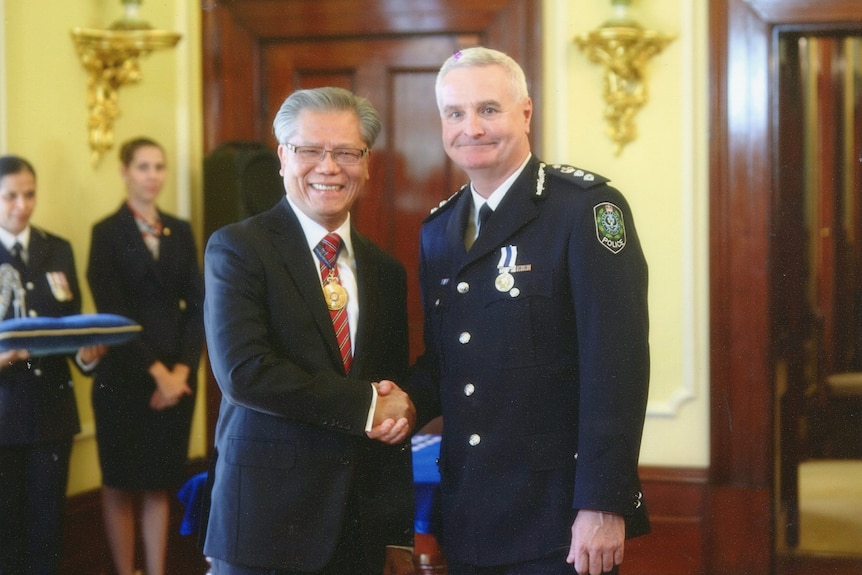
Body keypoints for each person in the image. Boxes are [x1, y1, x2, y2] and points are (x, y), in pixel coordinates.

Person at [406, 47, 651, 575]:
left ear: (525, 113)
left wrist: (603, 503)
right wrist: (399, 403)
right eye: (455, 113)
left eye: (488, 109)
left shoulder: (583, 209)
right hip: (470, 514)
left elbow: (618, 367)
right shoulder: (439, 232)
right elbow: (448, 362)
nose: (471, 127)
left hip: (557, 520)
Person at [202, 86, 416, 575]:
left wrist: (397, 536)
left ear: (366, 163)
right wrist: (365, 405)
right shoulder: (238, 248)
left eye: (346, 152)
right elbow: (245, 372)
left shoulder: (386, 270)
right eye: (310, 150)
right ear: (282, 157)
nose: (329, 166)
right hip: (263, 530)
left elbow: (391, 405)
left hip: (359, 534)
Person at [87, 138, 205, 575]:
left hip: (177, 378)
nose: (152, 175)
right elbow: (110, 310)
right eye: (143, 167)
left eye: (159, 166)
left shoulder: (180, 228)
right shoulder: (106, 232)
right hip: (124, 376)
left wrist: (179, 372)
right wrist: (157, 374)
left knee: (158, 485)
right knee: (120, 485)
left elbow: (198, 307)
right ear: (124, 171)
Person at [0, 155, 105, 574]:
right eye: (9, 196)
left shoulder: (56, 249)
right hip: (3, 415)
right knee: (5, 533)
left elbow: (68, 329)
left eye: (29, 194)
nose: (21, 205)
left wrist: (86, 353)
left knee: (47, 530)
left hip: (50, 415)